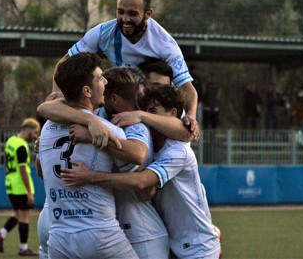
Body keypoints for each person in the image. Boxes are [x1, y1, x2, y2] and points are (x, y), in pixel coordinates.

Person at [61, 84, 221, 259]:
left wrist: (91, 177)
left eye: (153, 111)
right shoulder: (152, 146)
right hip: (175, 244)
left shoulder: (178, 151)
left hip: (199, 248)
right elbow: (146, 193)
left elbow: (141, 181)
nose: (145, 119)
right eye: (144, 111)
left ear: (173, 114)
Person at [48, 0, 200, 143]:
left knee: (183, 136)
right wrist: (57, 93)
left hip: (154, 113)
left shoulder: (165, 44)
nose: (125, 19)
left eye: (132, 14)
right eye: (120, 12)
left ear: (148, 13)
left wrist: (191, 115)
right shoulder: (103, 32)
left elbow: (188, 89)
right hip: (123, 106)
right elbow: (64, 66)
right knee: (52, 109)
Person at [43, 66, 169, 258]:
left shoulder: (48, 129)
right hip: (100, 229)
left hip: (63, 232)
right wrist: (90, 122)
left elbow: (143, 181)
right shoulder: (104, 124)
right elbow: (45, 108)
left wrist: (92, 173)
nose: (141, 104)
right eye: (101, 80)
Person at [39, 53, 138, 259]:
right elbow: (135, 179)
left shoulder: (46, 129)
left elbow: (42, 171)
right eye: (100, 78)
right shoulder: (109, 131)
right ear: (86, 91)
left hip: (59, 237)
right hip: (101, 235)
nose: (105, 82)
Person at [0, 117, 40, 256]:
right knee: (24, 215)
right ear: (28, 129)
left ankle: (1, 234)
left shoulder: (10, 141)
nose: (36, 135)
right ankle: (23, 248)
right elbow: (23, 170)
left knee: (19, 214)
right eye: (35, 132)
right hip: (20, 185)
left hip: (10, 182)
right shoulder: (21, 145)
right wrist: (29, 192)